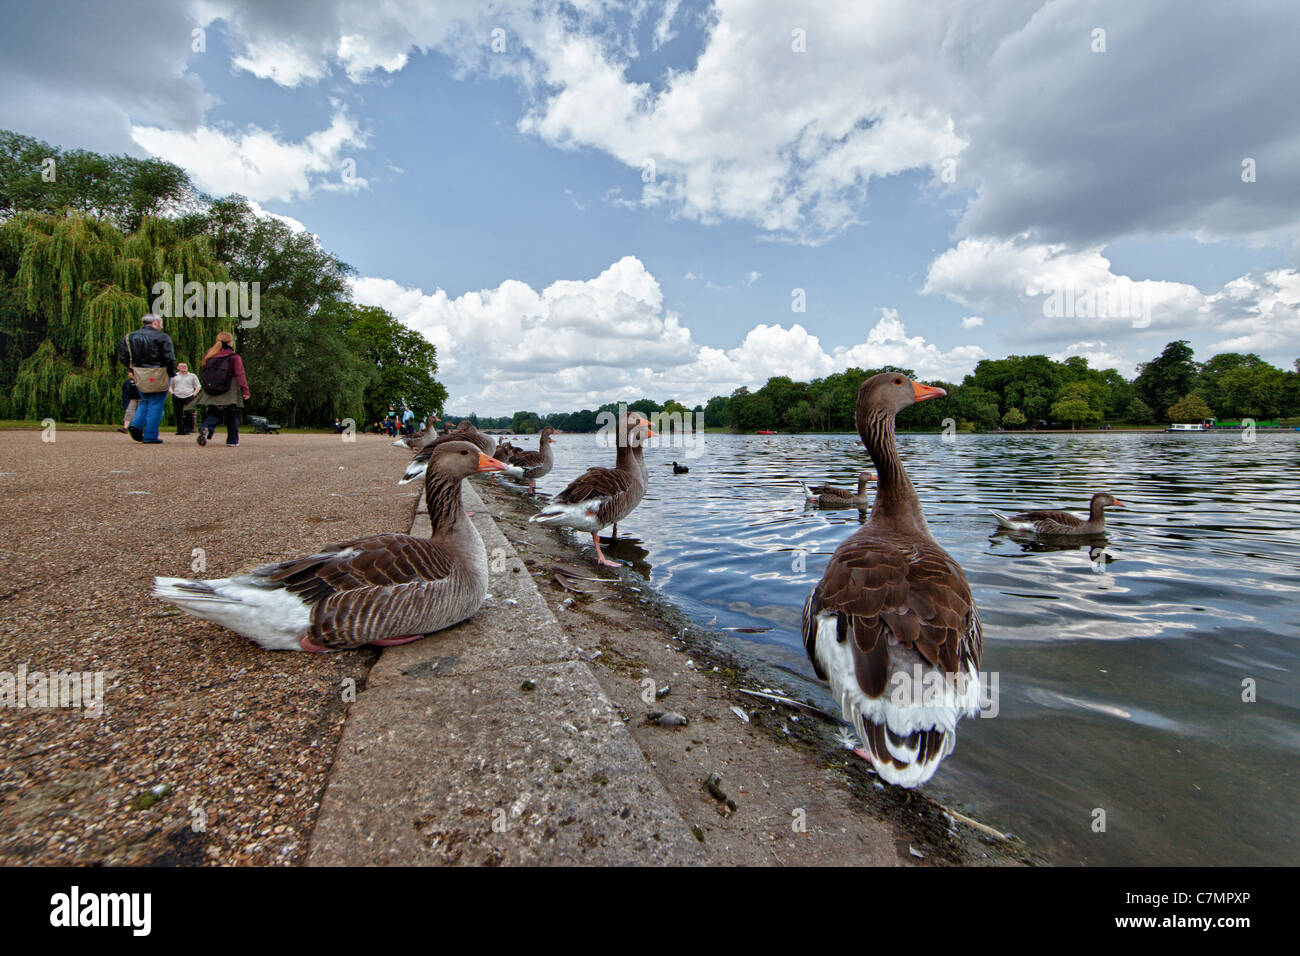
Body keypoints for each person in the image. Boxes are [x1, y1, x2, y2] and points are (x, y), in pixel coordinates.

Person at [116, 314, 176, 443]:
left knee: (144, 400)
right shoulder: (162, 337)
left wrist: (132, 369)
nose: (161, 326)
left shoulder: (129, 337)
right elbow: (169, 357)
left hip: (139, 372)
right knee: (156, 403)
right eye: (161, 323)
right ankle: (150, 435)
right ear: (155, 323)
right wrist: (171, 373)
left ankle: (136, 424)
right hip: (158, 371)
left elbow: (123, 357)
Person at [194, 331, 251, 447]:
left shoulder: (209, 355)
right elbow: (240, 374)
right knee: (232, 414)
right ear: (231, 342)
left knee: (214, 413)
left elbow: (203, 371)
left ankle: (206, 427)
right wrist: (245, 390)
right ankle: (232, 440)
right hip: (229, 389)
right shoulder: (234, 357)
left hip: (212, 389)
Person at [169, 362, 201, 436]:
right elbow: (169, 385)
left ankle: (188, 428)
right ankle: (180, 430)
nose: (184, 367)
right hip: (177, 395)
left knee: (189, 412)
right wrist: (172, 393)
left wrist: (193, 394)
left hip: (189, 395)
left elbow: (198, 386)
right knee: (178, 413)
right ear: (178, 368)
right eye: (182, 366)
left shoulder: (192, 376)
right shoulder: (174, 376)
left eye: (185, 366)